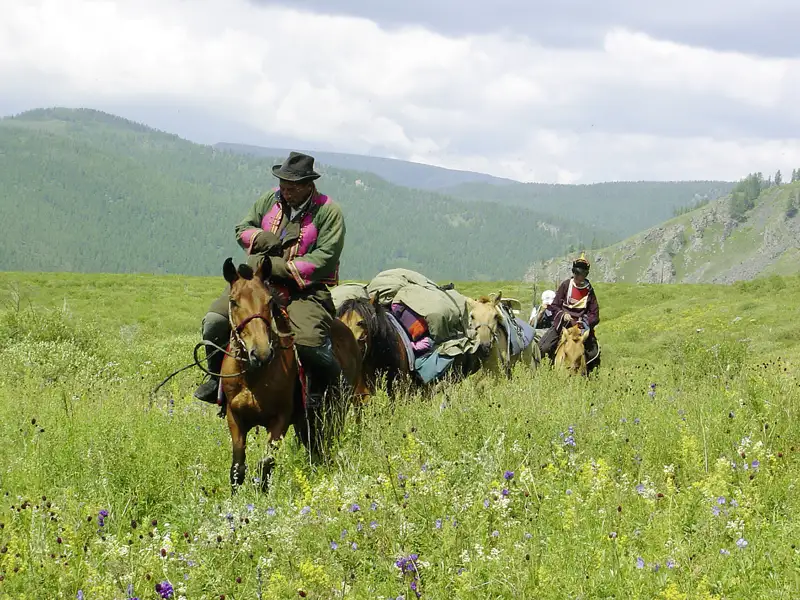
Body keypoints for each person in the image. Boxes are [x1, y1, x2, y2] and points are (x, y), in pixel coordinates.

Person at [194, 151, 346, 416]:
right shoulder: (270, 199)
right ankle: (217, 380)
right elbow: (242, 229)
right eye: (283, 185)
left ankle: (319, 394)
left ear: (308, 185)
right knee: (214, 322)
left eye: (291, 187)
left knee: (309, 342)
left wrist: (279, 267)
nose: (284, 191)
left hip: (304, 290)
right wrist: (261, 237)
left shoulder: (329, 212)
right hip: (255, 282)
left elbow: (324, 257)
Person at [538, 253, 600, 365]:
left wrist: (584, 322)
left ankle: (590, 378)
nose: (576, 276)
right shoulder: (566, 285)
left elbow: (594, 314)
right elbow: (555, 306)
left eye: (579, 273)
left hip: (581, 328)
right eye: (575, 272)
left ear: (585, 274)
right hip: (563, 325)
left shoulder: (589, 290)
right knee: (543, 347)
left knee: (594, 354)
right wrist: (563, 314)